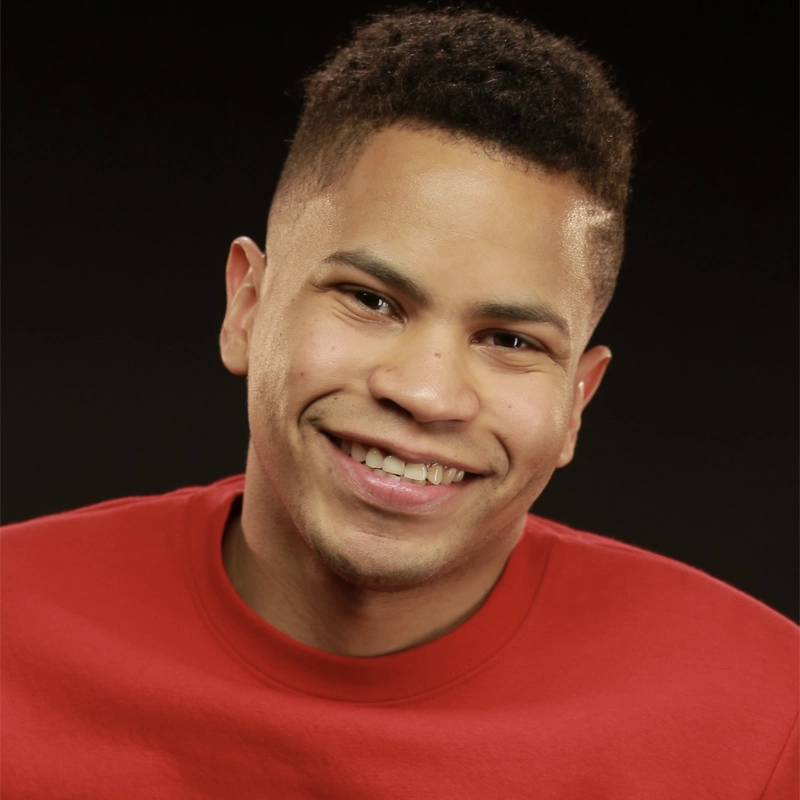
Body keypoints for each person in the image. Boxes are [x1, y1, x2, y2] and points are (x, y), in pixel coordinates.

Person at [2, 6, 796, 798]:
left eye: (512, 341)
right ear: (247, 307)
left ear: (576, 403)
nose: (425, 394)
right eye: (372, 300)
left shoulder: (766, 716)